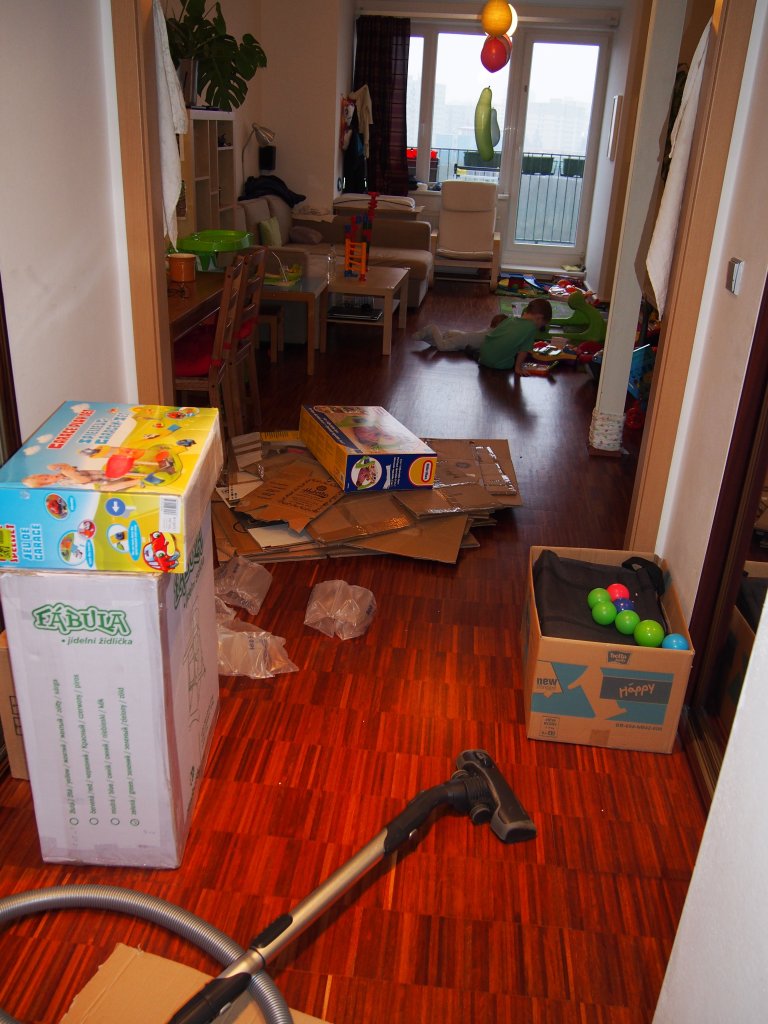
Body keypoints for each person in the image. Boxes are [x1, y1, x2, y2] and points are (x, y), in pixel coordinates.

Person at [415, 298, 553, 376]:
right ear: (539, 318)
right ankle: (434, 330)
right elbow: (523, 351)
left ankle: (471, 351)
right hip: (495, 365)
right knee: (511, 363)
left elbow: (493, 336)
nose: (539, 328)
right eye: (541, 325)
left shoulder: (509, 319)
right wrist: (518, 368)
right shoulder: (531, 329)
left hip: (483, 357)